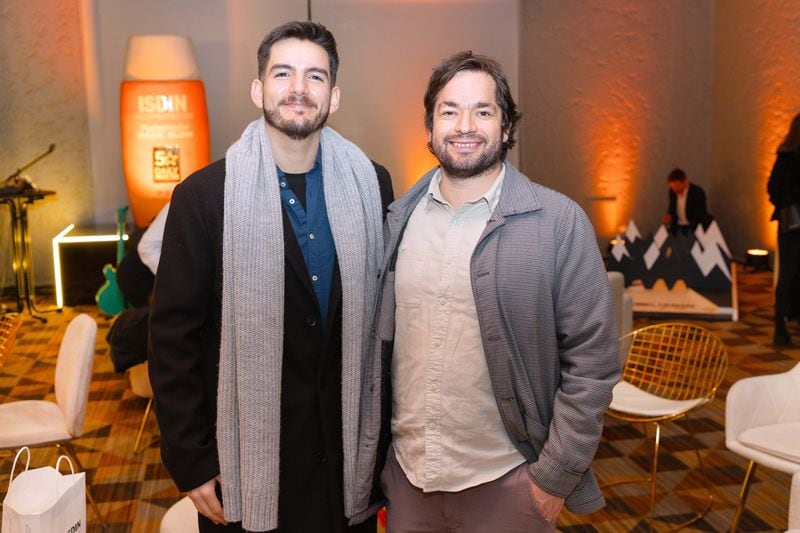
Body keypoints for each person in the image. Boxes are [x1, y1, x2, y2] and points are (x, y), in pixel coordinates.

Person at [351, 52, 620, 532]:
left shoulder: (559, 224)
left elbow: (593, 363)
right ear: (430, 128)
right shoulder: (396, 222)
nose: (464, 125)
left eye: (483, 111)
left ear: (507, 126)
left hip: (511, 483)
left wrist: (554, 477)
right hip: (410, 482)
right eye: (449, 111)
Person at [148, 21, 393, 533]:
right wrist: (191, 462)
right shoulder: (203, 197)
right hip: (246, 463)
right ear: (259, 89)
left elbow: (386, 329)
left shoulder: (373, 184)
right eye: (283, 73)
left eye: (315, 76)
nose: (299, 88)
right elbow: (173, 340)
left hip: (347, 458)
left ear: (335, 96)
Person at [767, 112, 800, 345]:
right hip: (793, 222)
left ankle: (781, 327)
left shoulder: (784, 154)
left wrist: (786, 204)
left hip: (789, 223)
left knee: (786, 275)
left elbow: (772, 189)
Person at [662, 167, 712, 235]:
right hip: (678, 226)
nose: (675, 190)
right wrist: (669, 216)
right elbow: (672, 209)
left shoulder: (697, 192)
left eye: (677, 186)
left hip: (693, 226)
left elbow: (700, 214)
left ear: (685, 182)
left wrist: (689, 233)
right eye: (672, 187)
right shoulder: (672, 192)